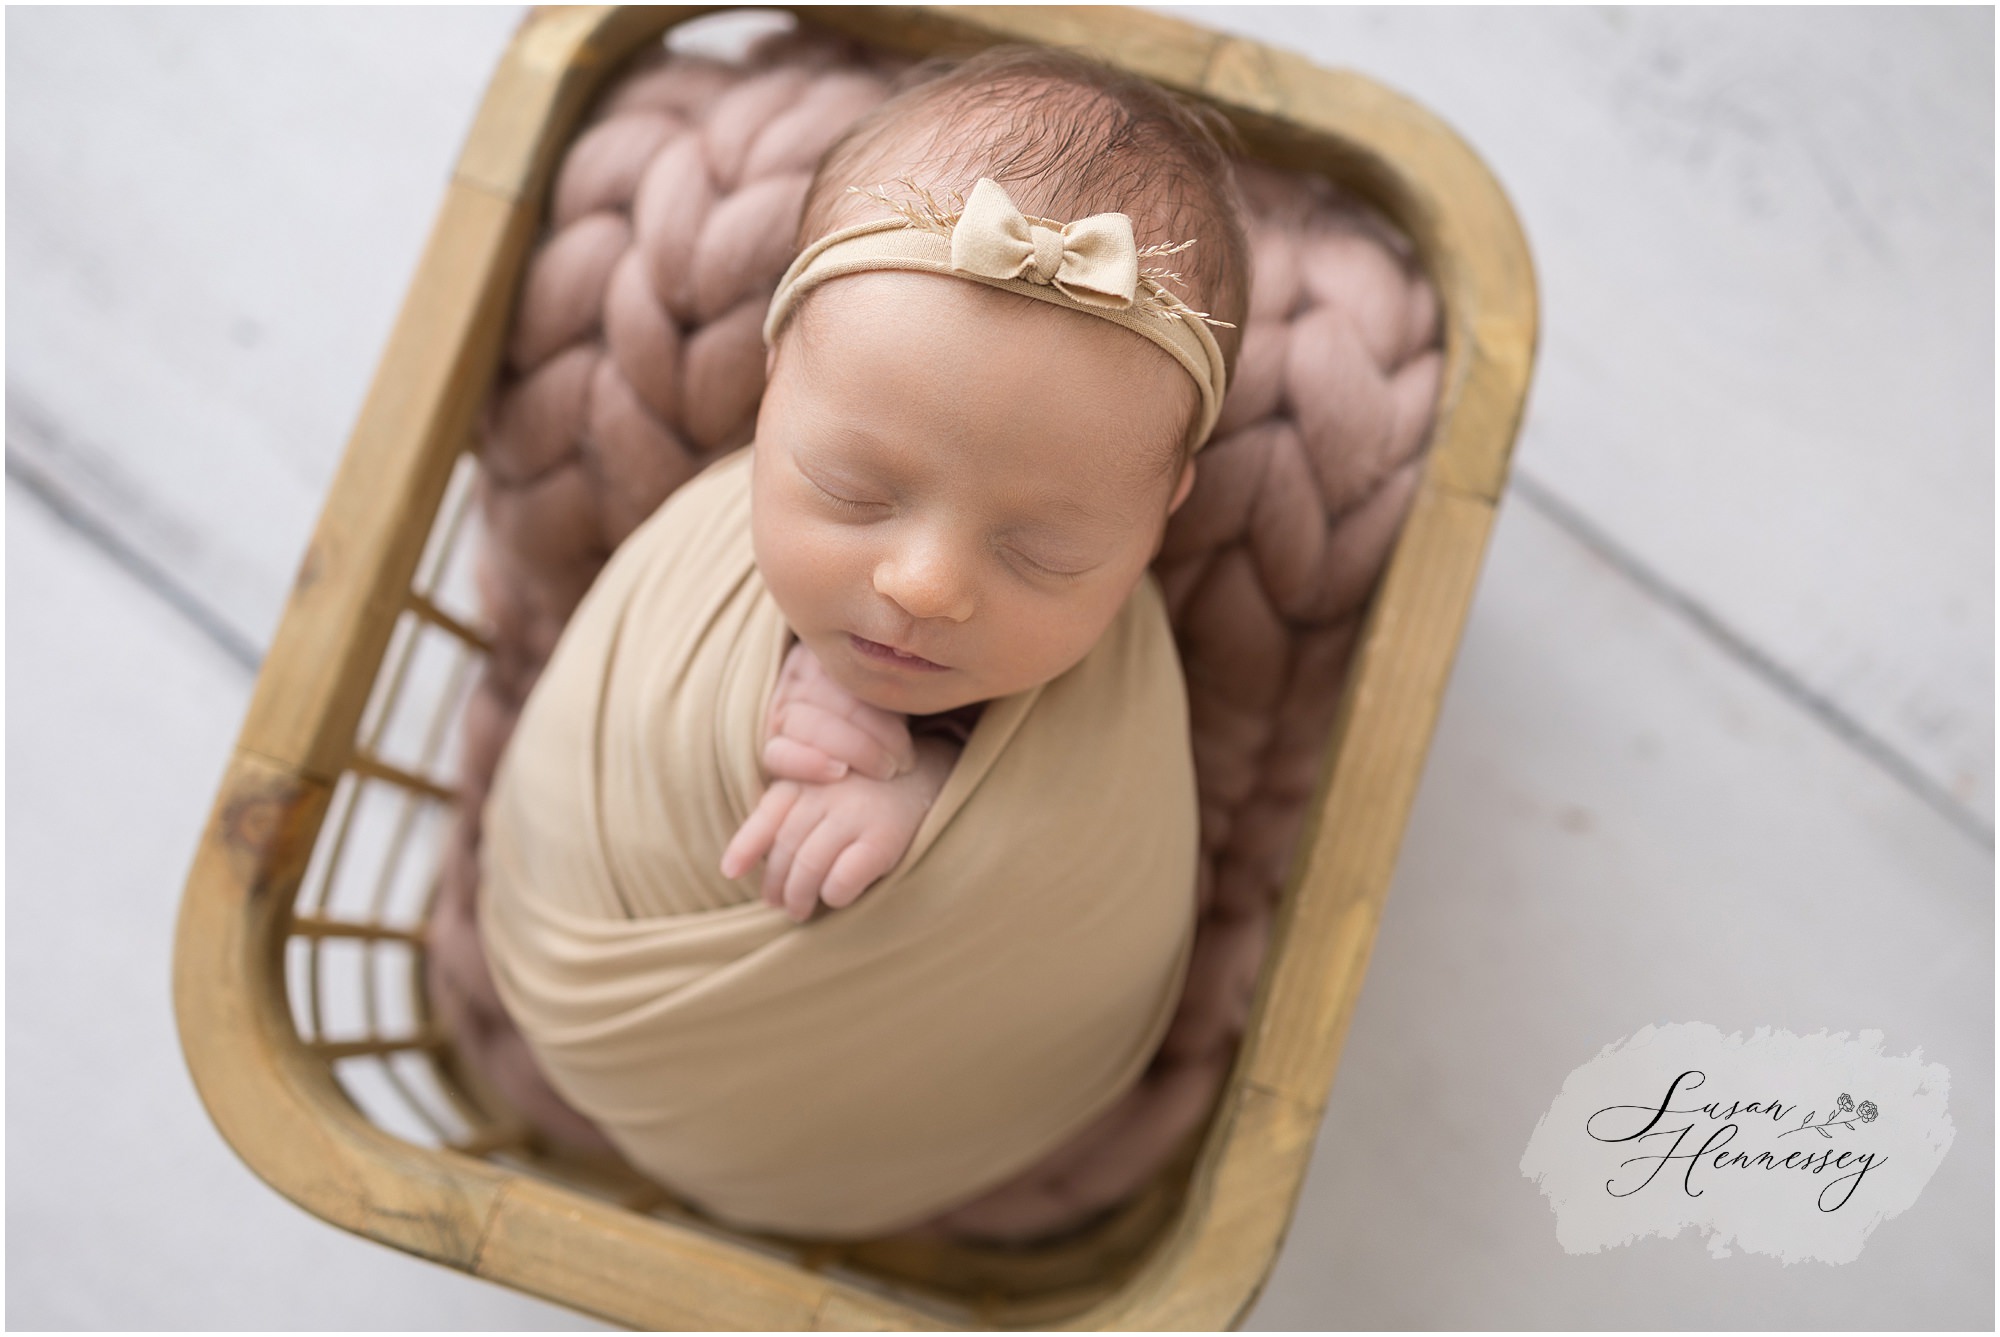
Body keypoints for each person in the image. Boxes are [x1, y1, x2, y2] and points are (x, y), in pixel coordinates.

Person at [476, 44, 1254, 1238]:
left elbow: (1079, 874)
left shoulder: (1111, 687)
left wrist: (928, 788)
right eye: (849, 488)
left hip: (919, 1104)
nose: (924, 585)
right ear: (770, 375)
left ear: (1165, 509)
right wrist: (758, 690)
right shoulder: (707, 547)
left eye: (1041, 552)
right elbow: (614, 702)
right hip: (579, 953)